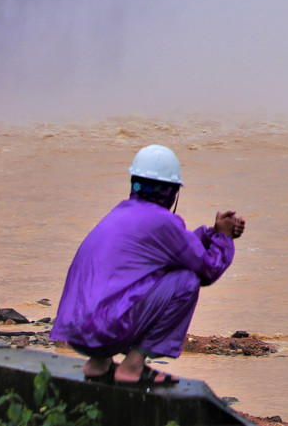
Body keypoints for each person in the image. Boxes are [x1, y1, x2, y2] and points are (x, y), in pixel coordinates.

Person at [50, 144, 246, 386]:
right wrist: (224, 238)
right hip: (104, 333)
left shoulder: (120, 212)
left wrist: (211, 233)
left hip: (76, 333)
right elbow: (208, 269)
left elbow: (177, 248)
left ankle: (98, 364)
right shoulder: (163, 222)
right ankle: (132, 367)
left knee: (140, 277)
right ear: (172, 192)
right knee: (187, 280)